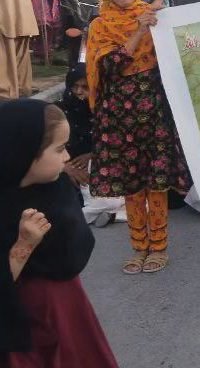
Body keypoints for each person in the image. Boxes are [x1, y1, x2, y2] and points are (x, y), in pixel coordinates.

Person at [86, 0, 191, 275]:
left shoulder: (158, 17)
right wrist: (139, 30)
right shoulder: (100, 25)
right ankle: (138, 248)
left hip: (154, 110)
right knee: (132, 185)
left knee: (156, 185)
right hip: (119, 116)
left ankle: (159, 248)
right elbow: (109, 66)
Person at [0, 99, 118, 366]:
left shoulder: (57, 189)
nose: (66, 157)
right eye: (60, 149)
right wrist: (24, 246)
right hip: (19, 327)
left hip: (66, 310)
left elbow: (75, 252)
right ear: (24, 152)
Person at [56, 65, 126, 227]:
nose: (79, 92)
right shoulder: (57, 111)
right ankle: (106, 214)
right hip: (64, 167)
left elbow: (117, 142)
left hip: (99, 164)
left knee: (113, 199)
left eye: (85, 87)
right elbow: (44, 147)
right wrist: (66, 167)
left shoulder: (105, 110)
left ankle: (84, 217)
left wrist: (93, 155)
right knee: (65, 197)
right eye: (74, 86)